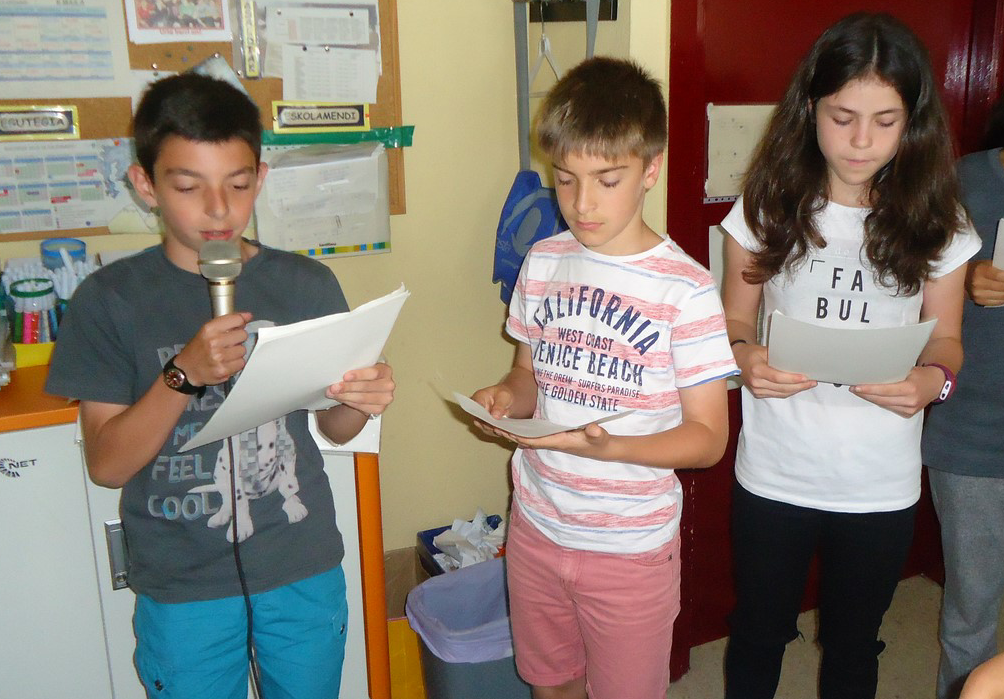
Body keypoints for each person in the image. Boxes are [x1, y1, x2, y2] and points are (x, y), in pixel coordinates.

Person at [45, 72, 395, 699]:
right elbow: (107, 464)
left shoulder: (305, 285)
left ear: (260, 179)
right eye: (188, 186)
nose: (217, 209)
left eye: (237, 185)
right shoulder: (109, 299)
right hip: (183, 583)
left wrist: (360, 401)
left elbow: (334, 428)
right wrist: (183, 375)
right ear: (146, 185)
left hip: (299, 563)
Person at [719, 12, 981, 699]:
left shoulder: (938, 220)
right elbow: (734, 318)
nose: (862, 141)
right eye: (843, 117)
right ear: (810, 108)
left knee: (855, 642)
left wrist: (932, 382)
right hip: (775, 469)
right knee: (757, 631)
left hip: (879, 479)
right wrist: (745, 358)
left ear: (912, 122)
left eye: (885, 121)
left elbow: (947, 339)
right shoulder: (767, 205)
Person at [470, 57, 739, 699]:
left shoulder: (686, 290)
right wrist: (505, 398)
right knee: (551, 683)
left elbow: (708, 439)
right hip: (537, 525)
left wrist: (611, 447)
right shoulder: (543, 260)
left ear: (651, 169)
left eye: (606, 180)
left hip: (629, 548)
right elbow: (526, 373)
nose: (582, 203)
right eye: (565, 180)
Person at [922, 75, 1004, 699]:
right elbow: (901, 294)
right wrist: (964, 279)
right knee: (971, 616)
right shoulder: (962, 183)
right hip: (975, 435)